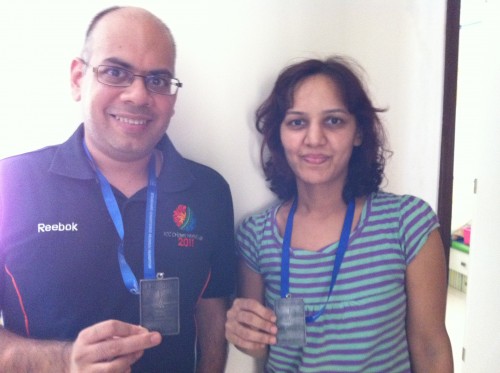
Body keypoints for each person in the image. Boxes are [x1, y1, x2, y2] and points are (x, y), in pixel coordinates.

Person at [0, 6, 235, 373]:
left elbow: (211, 308)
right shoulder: (10, 184)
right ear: (78, 78)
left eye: (158, 80)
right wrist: (64, 360)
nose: (138, 95)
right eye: (115, 72)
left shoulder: (210, 192)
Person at [225, 56, 453, 372]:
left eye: (333, 121)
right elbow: (258, 346)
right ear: (279, 135)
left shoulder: (408, 223)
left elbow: (431, 348)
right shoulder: (255, 235)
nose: (315, 138)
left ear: (358, 132)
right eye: (297, 122)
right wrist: (242, 333)